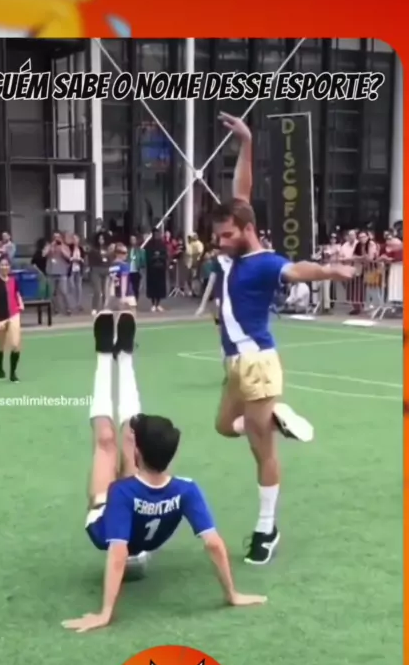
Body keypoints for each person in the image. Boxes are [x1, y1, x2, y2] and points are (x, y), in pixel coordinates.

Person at [207, 113, 356, 566]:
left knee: (261, 450)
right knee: (223, 426)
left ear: (247, 230)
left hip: (258, 364)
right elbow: (242, 190)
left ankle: (266, 528)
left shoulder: (267, 263)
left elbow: (297, 270)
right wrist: (246, 141)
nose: (220, 242)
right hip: (235, 364)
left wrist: (330, 270)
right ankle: (273, 416)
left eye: (226, 235)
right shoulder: (235, 244)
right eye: (218, 236)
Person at [62, 310, 266, 633]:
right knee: (122, 437)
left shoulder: (120, 492)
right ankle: (124, 356)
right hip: (139, 521)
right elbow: (213, 543)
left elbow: (117, 553)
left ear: (139, 453)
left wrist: (105, 613)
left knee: (105, 442)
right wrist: (232, 594)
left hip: (104, 525)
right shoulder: (187, 489)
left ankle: (104, 357)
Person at [145, 228, 167, 311]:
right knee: (152, 287)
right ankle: (153, 303)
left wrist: (159, 256)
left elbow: (165, 255)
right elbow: (147, 255)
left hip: (160, 269)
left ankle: (158, 304)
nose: (156, 236)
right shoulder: (149, 244)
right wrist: (154, 257)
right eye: (155, 234)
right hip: (152, 269)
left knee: (160, 287)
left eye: (157, 234)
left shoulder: (162, 244)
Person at [108, 243, 137, 308]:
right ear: (117, 254)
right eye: (124, 253)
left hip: (116, 295)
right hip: (127, 295)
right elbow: (124, 280)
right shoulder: (124, 266)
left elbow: (111, 282)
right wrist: (123, 296)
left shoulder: (111, 266)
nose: (126, 254)